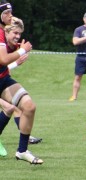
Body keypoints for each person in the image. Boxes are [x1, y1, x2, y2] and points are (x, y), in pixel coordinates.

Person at [0, 1, 41, 157]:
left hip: (3, 80)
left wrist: (17, 51)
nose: (10, 15)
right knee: (10, 109)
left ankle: (22, 150)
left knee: (29, 106)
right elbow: (3, 60)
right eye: (6, 13)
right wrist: (22, 50)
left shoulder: (5, 34)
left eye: (11, 12)